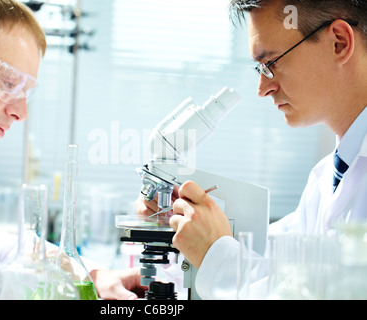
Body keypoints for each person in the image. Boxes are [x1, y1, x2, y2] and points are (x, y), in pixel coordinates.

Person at [136, 0, 367, 299]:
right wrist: (186, 228)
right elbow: (272, 267)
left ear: (338, 42)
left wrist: (214, 255)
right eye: (260, 68)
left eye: (271, 63)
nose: (263, 87)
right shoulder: (327, 177)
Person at [0, 0, 143, 300]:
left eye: (26, 93)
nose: (21, 113)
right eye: (9, 82)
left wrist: (92, 275)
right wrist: (74, 289)